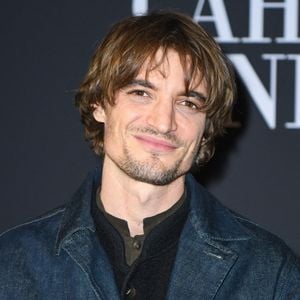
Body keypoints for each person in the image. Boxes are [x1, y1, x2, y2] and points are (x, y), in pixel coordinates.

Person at [0, 11, 299, 300]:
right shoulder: (14, 262)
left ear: (206, 127)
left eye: (188, 103)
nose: (163, 122)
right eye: (141, 93)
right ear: (99, 104)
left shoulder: (270, 271)